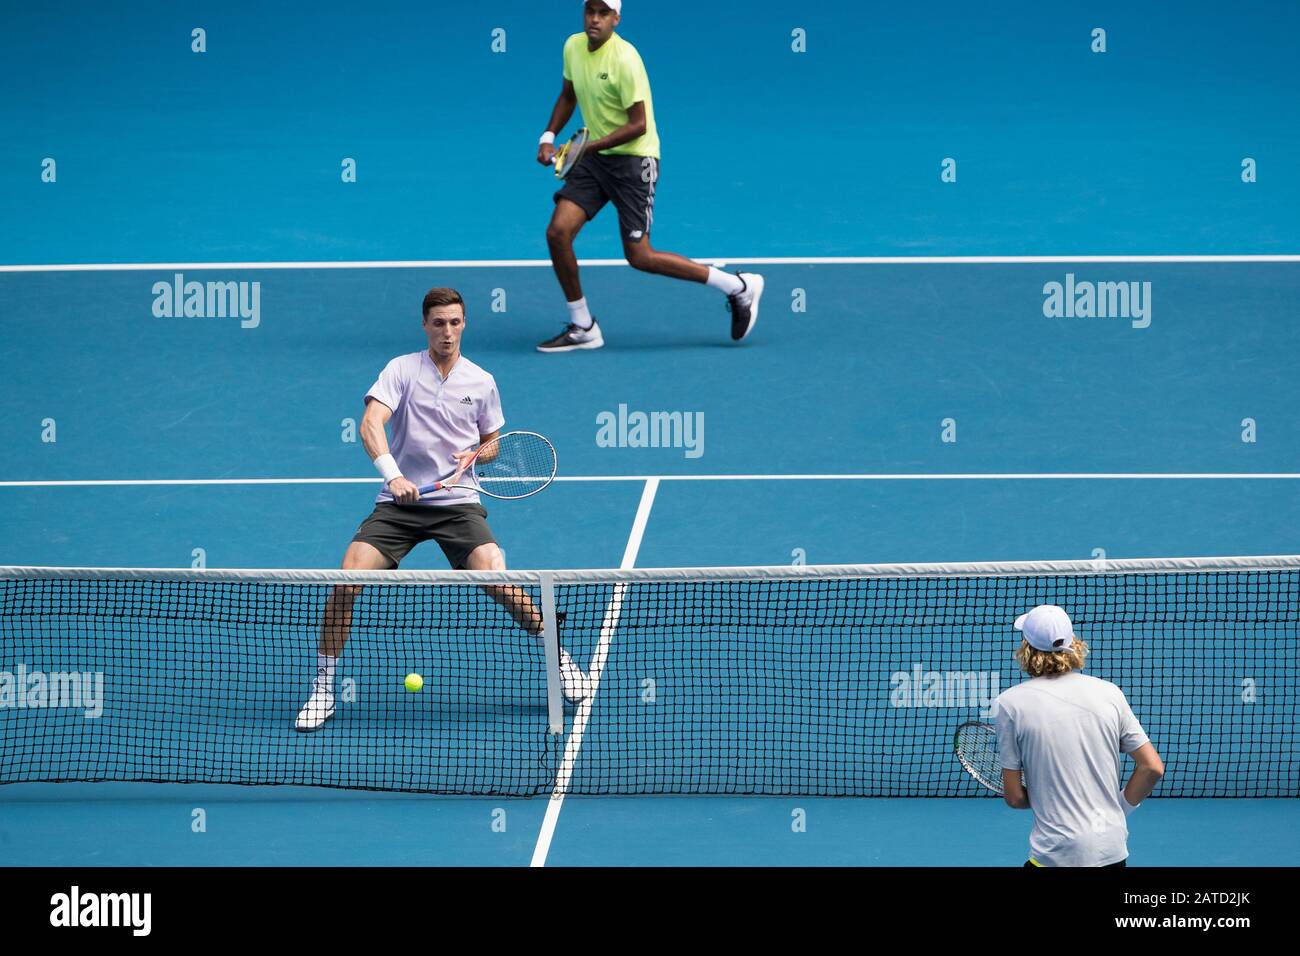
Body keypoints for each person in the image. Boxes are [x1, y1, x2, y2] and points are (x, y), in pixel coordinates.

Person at [295, 287, 590, 731]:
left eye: (454, 322)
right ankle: (322, 688)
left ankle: (559, 657)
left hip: (457, 503)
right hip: (400, 502)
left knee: (497, 579)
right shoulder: (400, 370)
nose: (447, 332)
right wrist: (393, 476)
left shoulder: (481, 380)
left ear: (464, 324)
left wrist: (474, 455)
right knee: (345, 582)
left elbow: (494, 444)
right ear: (425, 325)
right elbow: (370, 424)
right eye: (438, 323)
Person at [534, 0, 764, 352]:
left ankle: (738, 286)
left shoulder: (626, 60)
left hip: (633, 162)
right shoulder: (573, 46)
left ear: (616, 18)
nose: (595, 19)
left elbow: (638, 125)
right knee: (558, 232)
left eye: (603, 13)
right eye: (590, 11)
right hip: (597, 159)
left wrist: (586, 149)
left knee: (639, 256)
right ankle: (583, 326)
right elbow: (568, 95)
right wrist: (548, 136)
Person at [992, 604, 1166, 867]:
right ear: (1073, 642)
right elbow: (1152, 767)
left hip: (1056, 855)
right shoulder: (1110, 693)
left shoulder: (1010, 704)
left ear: (1026, 647)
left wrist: (1048, 798)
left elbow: (1015, 797)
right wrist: (1118, 809)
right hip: (1112, 850)